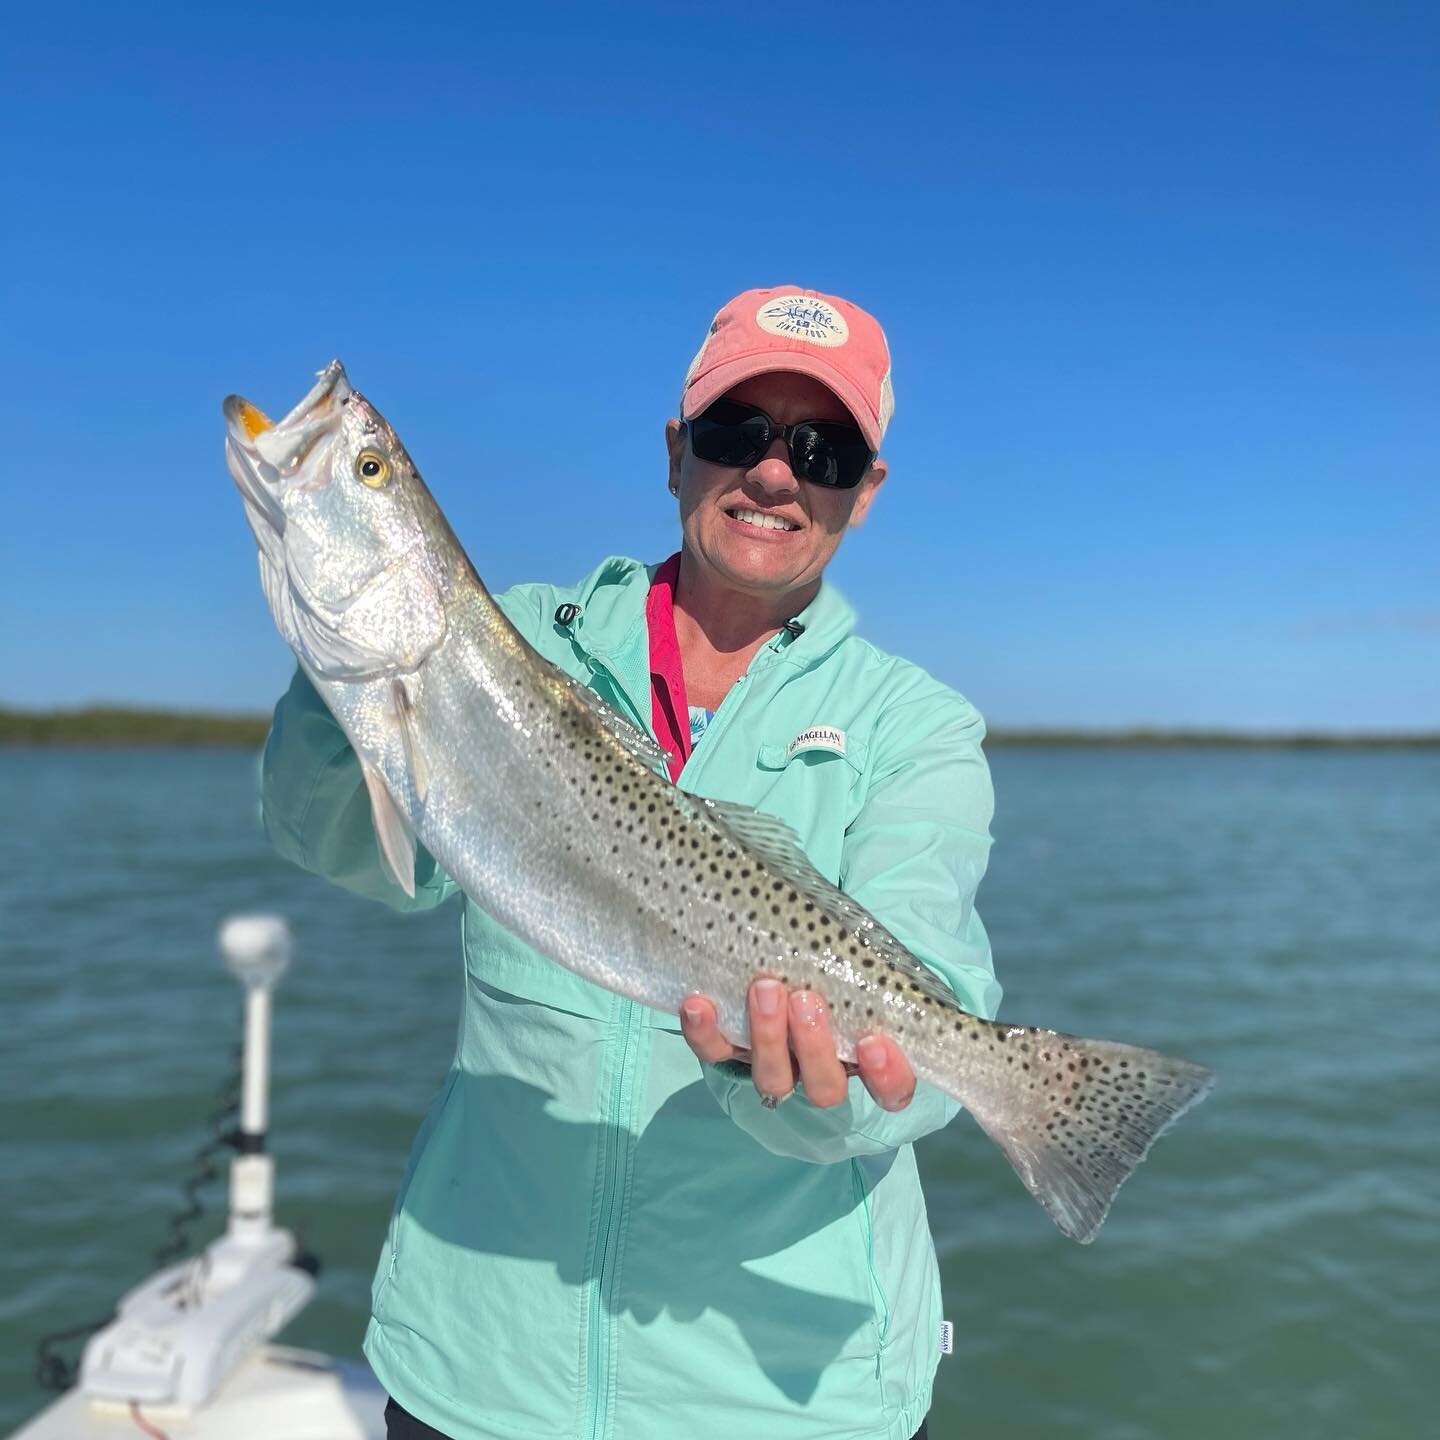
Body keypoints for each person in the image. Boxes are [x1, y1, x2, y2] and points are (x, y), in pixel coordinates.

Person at [260, 285, 1000, 1440]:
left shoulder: (916, 725)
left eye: (824, 450)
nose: (774, 473)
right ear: (674, 451)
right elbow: (348, 849)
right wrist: (342, 678)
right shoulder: (514, 639)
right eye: (736, 431)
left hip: (778, 1398)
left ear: (865, 492)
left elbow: (930, 1034)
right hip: (477, 1364)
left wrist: (808, 1089)